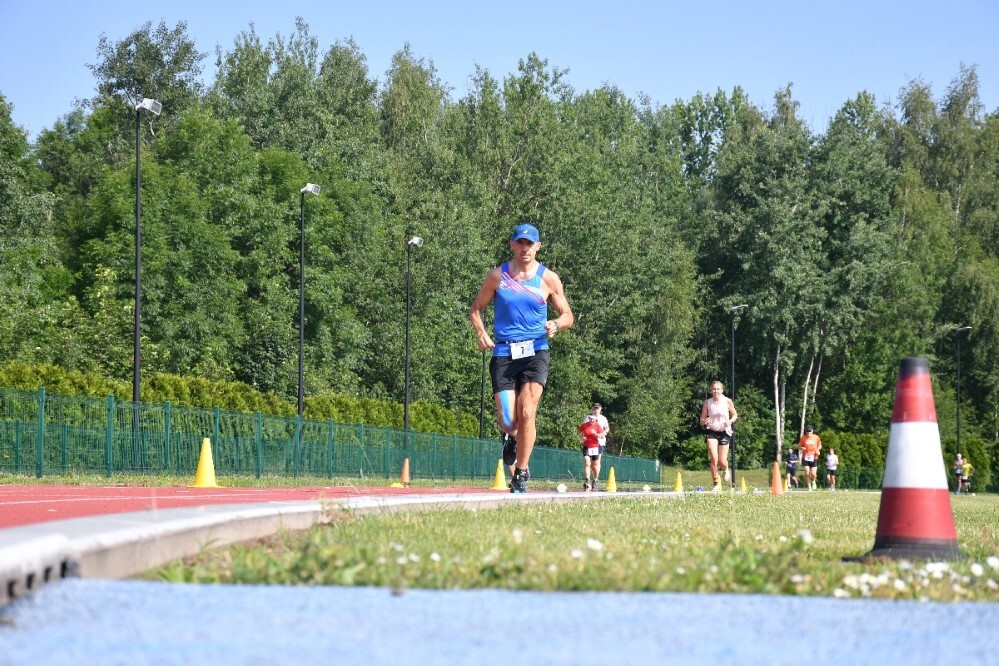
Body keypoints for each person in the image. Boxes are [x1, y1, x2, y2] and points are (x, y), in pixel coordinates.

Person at [469, 222, 574, 493]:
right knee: (508, 421)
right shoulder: (497, 276)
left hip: (536, 351)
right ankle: (512, 438)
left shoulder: (548, 278)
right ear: (512, 245)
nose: (525, 248)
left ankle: (522, 472)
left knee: (528, 411)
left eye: (530, 243)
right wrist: (481, 332)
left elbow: (568, 315)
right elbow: (476, 309)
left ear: (538, 247)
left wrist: (556, 324)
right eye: (520, 243)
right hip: (504, 351)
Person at [699, 380, 737, 491]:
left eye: (718, 389)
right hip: (712, 431)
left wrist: (730, 421)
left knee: (722, 460)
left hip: (724, 431)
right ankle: (716, 482)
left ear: (722, 390)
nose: (716, 391)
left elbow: (735, 415)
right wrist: (705, 421)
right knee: (714, 458)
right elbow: (701, 420)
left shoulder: (727, 401)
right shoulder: (707, 403)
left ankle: (726, 469)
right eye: (714, 389)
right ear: (711, 390)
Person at [584, 403, 610, 488]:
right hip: (589, 443)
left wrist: (604, 432)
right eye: (594, 408)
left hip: (599, 442)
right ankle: (588, 480)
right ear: (592, 409)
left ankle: (595, 480)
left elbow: (607, 427)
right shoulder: (588, 417)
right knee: (589, 463)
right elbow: (583, 427)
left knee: (596, 462)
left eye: (597, 408)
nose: (596, 410)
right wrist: (583, 436)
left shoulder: (603, 418)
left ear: (600, 409)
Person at [578, 414, 603, 491]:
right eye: (591, 419)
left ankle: (595, 480)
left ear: (596, 420)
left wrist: (595, 433)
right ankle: (587, 480)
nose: (592, 420)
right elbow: (578, 431)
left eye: (594, 419)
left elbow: (602, 435)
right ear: (589, 419)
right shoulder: (585, 425)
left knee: (595, 465)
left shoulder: (598, 426)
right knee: (587, 462)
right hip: (587, 446)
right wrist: (581, 437)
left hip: (595, 447)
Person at [798, 425, 823, 491]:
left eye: (810, 431)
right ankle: (809, 487)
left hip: (814, 457)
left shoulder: (816, 437)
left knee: (813, 474)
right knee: (807, 472)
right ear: (806, 431)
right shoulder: (803, 438)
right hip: (806, 457)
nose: (808, 432)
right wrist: (801, 448)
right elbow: (799, 446)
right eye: (807, 431)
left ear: (812, 431)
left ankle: (813, 481)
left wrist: (818, 449)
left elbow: (820, 445)